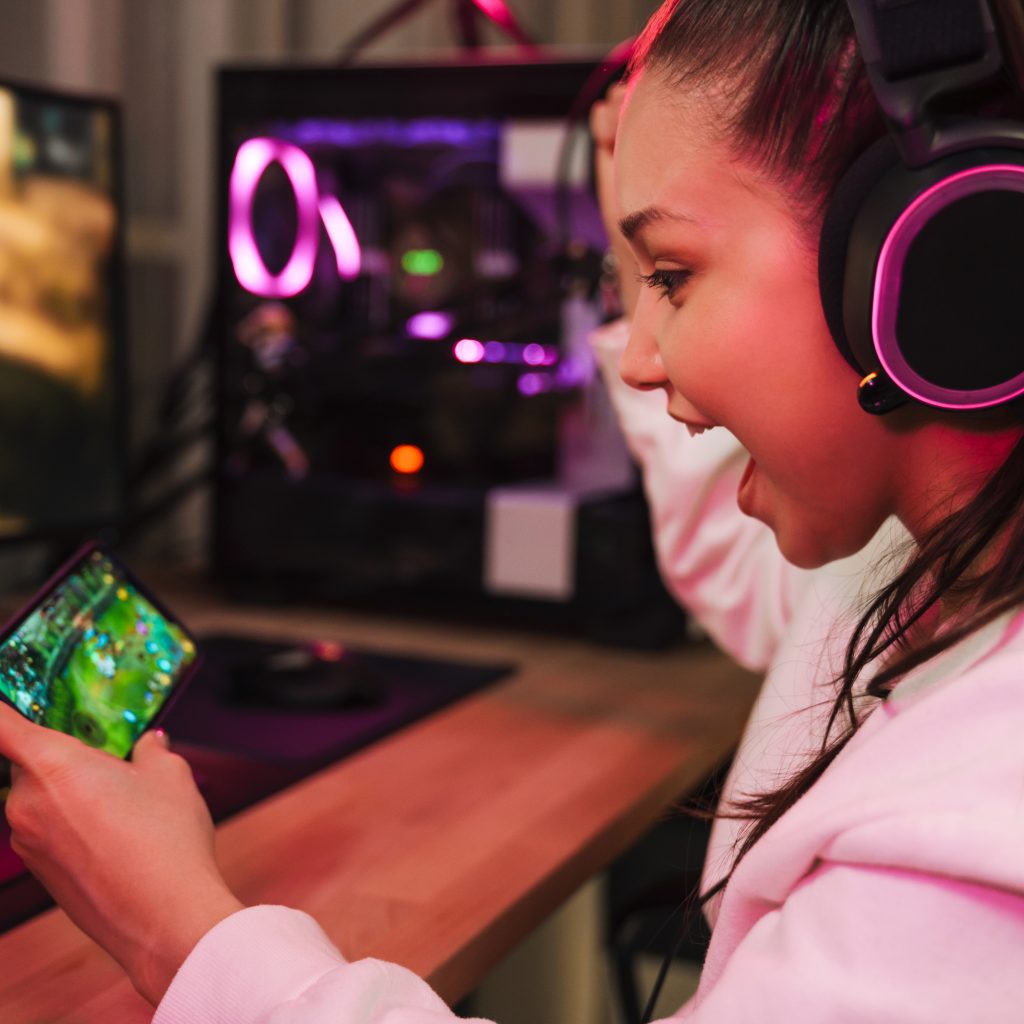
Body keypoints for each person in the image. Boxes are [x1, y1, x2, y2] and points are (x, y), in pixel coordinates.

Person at [5, 0, 1024, 1020]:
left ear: (941, 259)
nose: (630, 357)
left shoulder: (978, 830)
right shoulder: (938, 571)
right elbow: (774, 607)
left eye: (670, 275)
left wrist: (176, 928)